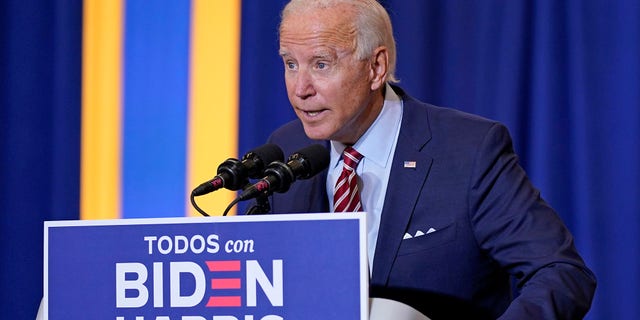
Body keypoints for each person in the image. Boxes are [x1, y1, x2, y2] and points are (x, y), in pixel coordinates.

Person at [263, 0, 596, 318]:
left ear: (376, 68)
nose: (300, 88)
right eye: (290, 64)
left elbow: (559, 272)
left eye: (321, 64)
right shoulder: (287, 149)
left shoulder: (467, 151)